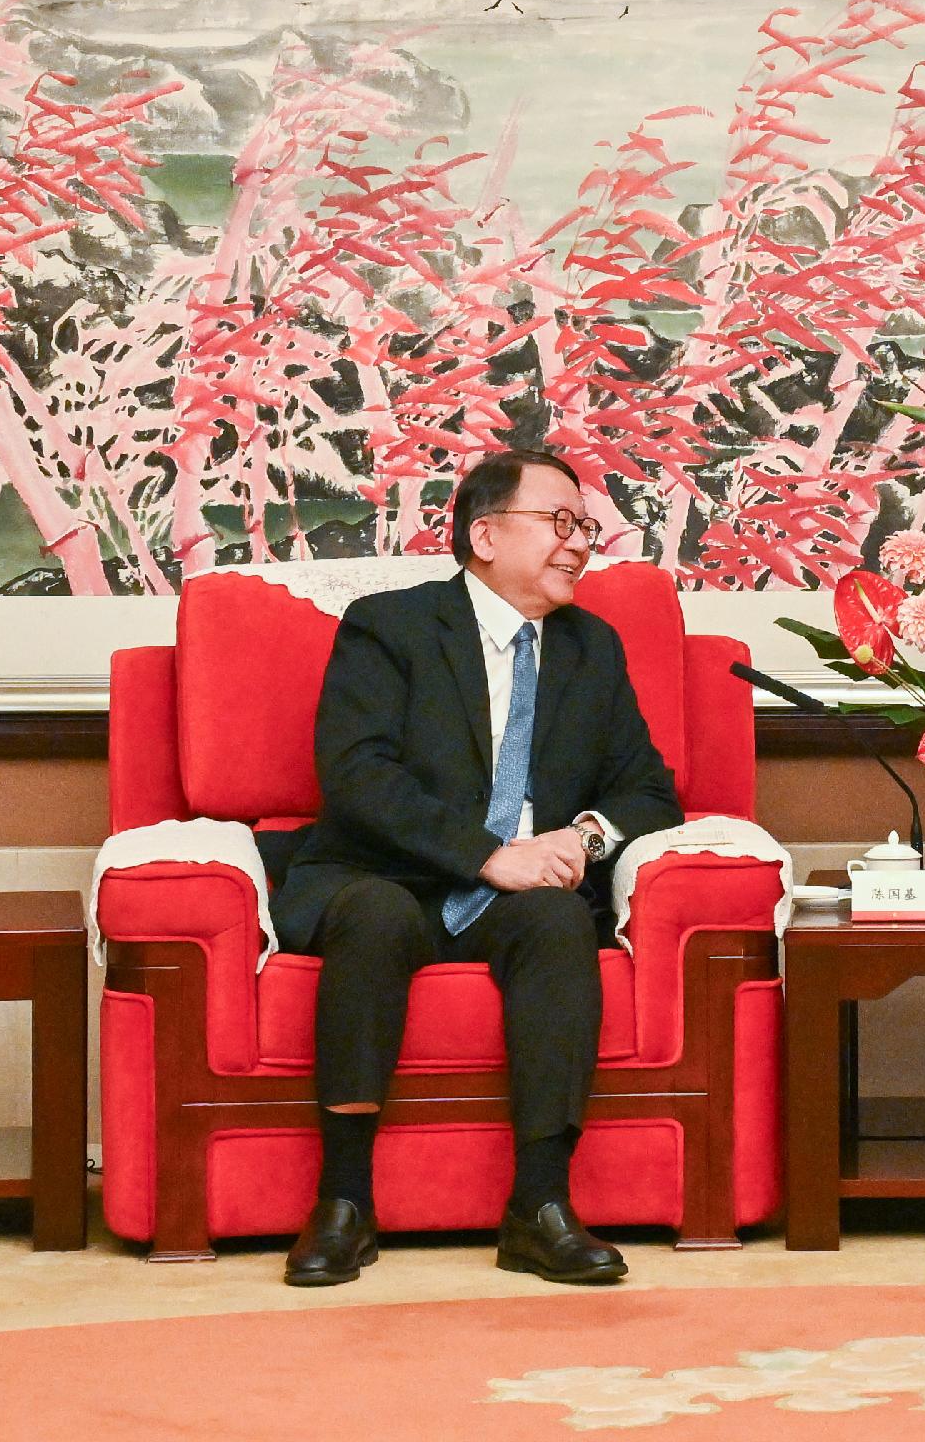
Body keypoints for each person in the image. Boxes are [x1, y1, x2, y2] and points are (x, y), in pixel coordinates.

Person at [268, 447, 684, 1288]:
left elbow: (648, 786)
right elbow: (355, 775)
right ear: (485, 534)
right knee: (376, 916)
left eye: (585, 527)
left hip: (524, 890)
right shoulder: (392, 626)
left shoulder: (590, 648)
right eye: (558, 523)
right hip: (391, 873)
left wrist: (583, 840)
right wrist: (487, 855)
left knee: (562, 918)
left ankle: (540, 1207)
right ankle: (344, 1202)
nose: (578, 544)